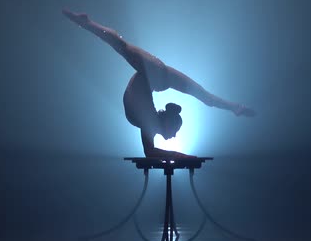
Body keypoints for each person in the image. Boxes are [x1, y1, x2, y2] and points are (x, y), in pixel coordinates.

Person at [63, 9, 255, 158]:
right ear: (166, 123)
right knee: (122, 47)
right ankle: (86, 23)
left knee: (204, 95)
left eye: (176, 131)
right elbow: (152, 153)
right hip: (155, 74)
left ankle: (235, 107)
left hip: (156, 76)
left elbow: (151, 153)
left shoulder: (148, 122)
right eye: (176, 130)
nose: (174, 136)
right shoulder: (148, 121)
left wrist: (182, 157)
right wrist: (183, 157)